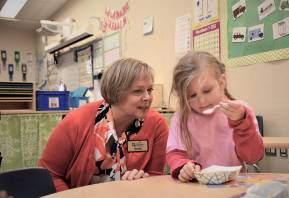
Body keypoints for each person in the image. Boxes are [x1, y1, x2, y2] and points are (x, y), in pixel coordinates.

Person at [38, 58, 169, 191]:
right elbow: (49, 174)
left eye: (150, 90)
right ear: (116, 92)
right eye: (138, 91)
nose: (148, 97)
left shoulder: (157, 124)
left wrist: (143, 181)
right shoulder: (76, 121)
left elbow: (155, 176)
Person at [166, 51, 264, 182]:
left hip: (233, 185)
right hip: (197, 188)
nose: (201, 102)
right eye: (192, 96)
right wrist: (185, 167)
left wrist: (241, 123)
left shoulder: (240, 111)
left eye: (207, 91)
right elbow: (175, 154)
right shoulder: (180, 118)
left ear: (222, 82)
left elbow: (253, 156)